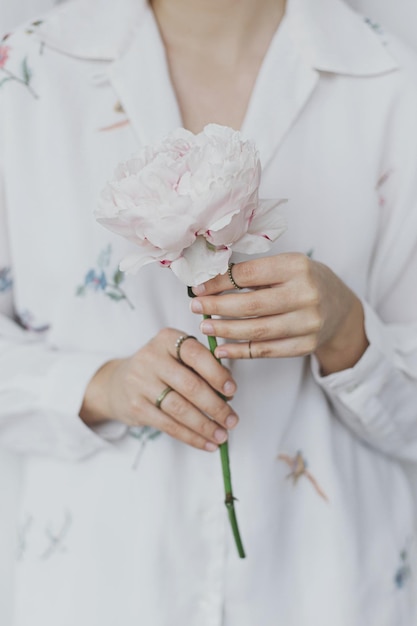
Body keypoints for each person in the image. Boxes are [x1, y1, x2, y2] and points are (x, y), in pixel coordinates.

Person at [1, 0, 417, 624]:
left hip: (328, 588)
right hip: (96, 588)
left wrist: (346, 333)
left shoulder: (391, 80)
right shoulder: (27, 74)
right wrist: (99, 386)